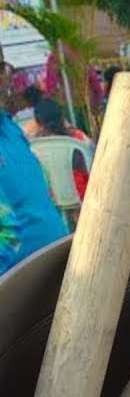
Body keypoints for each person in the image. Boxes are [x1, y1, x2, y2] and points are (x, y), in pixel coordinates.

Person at [0, 109, 67, 275]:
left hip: (23, 274)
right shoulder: (10, 126)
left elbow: (8, 231)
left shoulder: (9, 126)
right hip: (61, 251)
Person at [30, 98, 92, 199]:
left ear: (38, 122)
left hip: (53, 199)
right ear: (62, 117)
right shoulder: (79, 138)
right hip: (83, 194)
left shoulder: (35, 146)